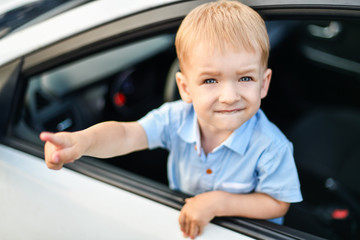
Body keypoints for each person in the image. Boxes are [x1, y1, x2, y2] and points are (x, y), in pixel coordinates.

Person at [40, 1, 302, 239]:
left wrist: (217, 203)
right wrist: (83, 141)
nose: (229, 96)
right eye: (210, 80)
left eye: (245, 78)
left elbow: (277, 203)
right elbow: (126, 134)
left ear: (264, 83)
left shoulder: (271, 146)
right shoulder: (176, 118)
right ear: (185, 88)